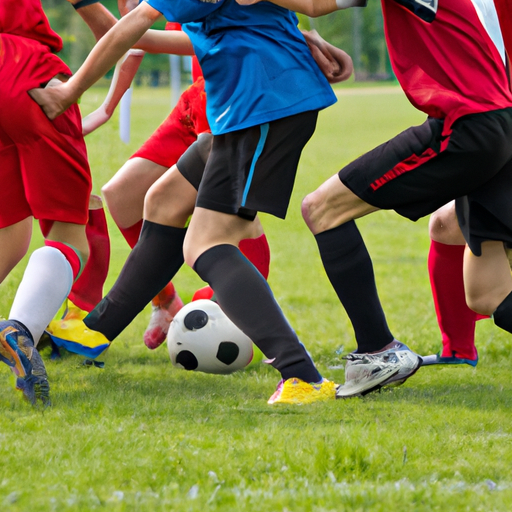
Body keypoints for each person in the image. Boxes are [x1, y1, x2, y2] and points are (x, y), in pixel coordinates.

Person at [30, 0, 355, 404]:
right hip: (246, 106)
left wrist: (71, 90)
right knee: (163, 201)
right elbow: (158, 35)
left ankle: (302, 375)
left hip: (262, 106)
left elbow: (135, 25)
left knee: (207, 243)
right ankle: (97, 328)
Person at [235, 0, 512, 398]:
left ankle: (378, 351)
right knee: (488, 293)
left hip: (466, 128)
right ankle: (379, 350)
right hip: (497, 122)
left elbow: (314, 4)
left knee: (323, 208)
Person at [0, 0, 94, 406]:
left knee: (10, 231)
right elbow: (121, 29)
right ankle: (19, 330)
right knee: (72, 239)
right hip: (28, 72)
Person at [422, 0, 512, 367]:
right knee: (446, 225)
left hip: (495, 112)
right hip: (493, 109)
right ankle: (457, 351)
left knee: (486, 292)